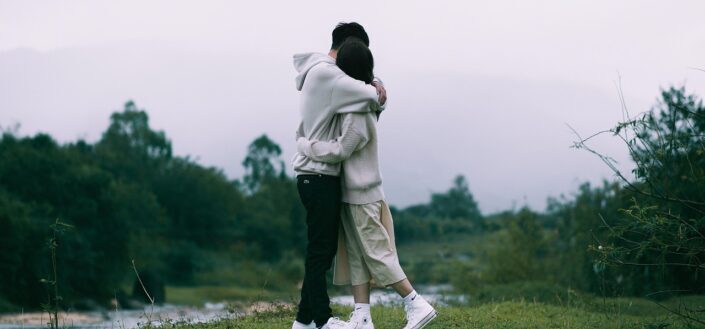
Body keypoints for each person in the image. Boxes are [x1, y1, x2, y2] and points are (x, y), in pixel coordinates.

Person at [297, 39, 437, 329]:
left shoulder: (357, 109)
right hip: (352, 193)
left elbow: (340, 150)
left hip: (362, 194)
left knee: (376, 252)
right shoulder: (361, 99)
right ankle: (362, 315)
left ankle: (415, 302)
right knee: (358, 256)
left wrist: (306, 145)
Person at [291, 22, 386, 329]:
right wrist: (377, 85)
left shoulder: (323, 72)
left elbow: (366, 89)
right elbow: (372, 95)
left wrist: (375, 83)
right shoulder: (329, 74)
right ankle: (321, 320)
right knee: (320, 250)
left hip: (317, 174)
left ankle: (304, 322)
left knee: (322, 249)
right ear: (349, 45)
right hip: (318, 173)